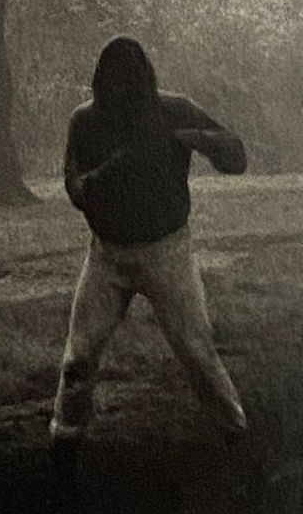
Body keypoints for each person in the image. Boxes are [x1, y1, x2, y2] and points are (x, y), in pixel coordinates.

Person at [51, 36, 249, 454]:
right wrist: (104, 175)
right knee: (78, 358)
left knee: (197, 353)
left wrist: (199, 138)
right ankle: (64, 442)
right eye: (113, 85)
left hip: (166, 250)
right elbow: (73, 186)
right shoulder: (85, 121)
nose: (121, 93)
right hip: (107, 254)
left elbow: (237, 157)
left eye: (129, 85)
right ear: (100, 85)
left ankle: (235, 435)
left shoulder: (173, 111)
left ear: (144, 84)